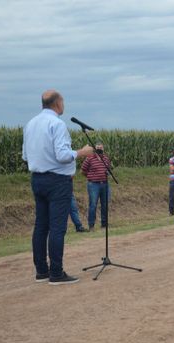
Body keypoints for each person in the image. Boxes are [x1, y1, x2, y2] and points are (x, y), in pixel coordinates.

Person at [22, 89, 93, 285]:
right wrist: (82, 152)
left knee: (41, 226)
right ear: (57, 103)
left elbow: (25, 156)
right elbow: (62, 155)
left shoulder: (30, 124)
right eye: (63, 101)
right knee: (57, 228)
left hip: (37, 179)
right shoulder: (57, 124)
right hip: (57, 182)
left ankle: (41, 271)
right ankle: (56, 273)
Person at [81, 141, 112, 230]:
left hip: (105, 184)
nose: (99, 149)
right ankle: (91, 226)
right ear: (95, 149)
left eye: (101, 147)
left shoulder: (106, 159)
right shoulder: (89, 158)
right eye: (97, 147)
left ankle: (104, 225)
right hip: (93, 185)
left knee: (104, 205)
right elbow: (83, 170)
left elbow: (109, 169)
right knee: (93, 205)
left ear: (103, 148)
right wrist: (91, 177)